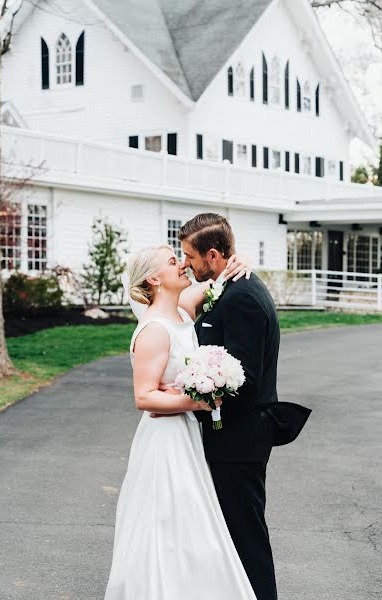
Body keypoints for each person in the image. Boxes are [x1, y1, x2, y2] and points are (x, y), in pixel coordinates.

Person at [104, 245, 256, 600]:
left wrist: (242, 259)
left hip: (186, 433)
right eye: (174, 262)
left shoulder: (183, 314)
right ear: (154, 279)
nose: (184, 265)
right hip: (164, 441)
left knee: (193, 525)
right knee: (168, 523)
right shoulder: (154, 330)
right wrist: (198, 401)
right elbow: (144, 397)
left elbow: (219, 276)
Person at [179, 213, 280, 600]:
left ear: (215, 254)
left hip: (240, 439)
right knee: (230, 533)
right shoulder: (229, 287)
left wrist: (195, 394)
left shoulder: (243, 298)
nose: (186, 263)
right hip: (232, 439)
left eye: (190, 255)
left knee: (246, 536)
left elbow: (244, 376)